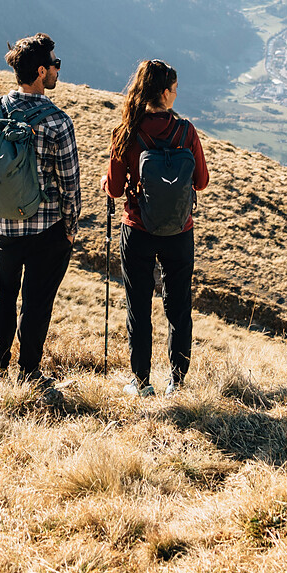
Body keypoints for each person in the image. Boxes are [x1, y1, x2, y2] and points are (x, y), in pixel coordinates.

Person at [0, 33, 81, 383]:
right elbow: (70, 184)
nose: (58, 70)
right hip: (47, 231)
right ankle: (29, 374)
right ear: (40, 71)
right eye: (54, 65)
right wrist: (70, 226)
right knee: (36, 303)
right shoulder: (57, 121)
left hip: (5, 230)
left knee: (3, 298)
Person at [104, 58, 208, 397]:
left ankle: (141, 381)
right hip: (180, 231)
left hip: (138, 229)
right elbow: (202, 181)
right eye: (175, 90)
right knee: (178, 306)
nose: (176, 95)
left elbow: (116, 189)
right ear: (164, 93)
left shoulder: (127, 132)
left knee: (139, 306)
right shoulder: (186, 132)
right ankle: (176, 383)